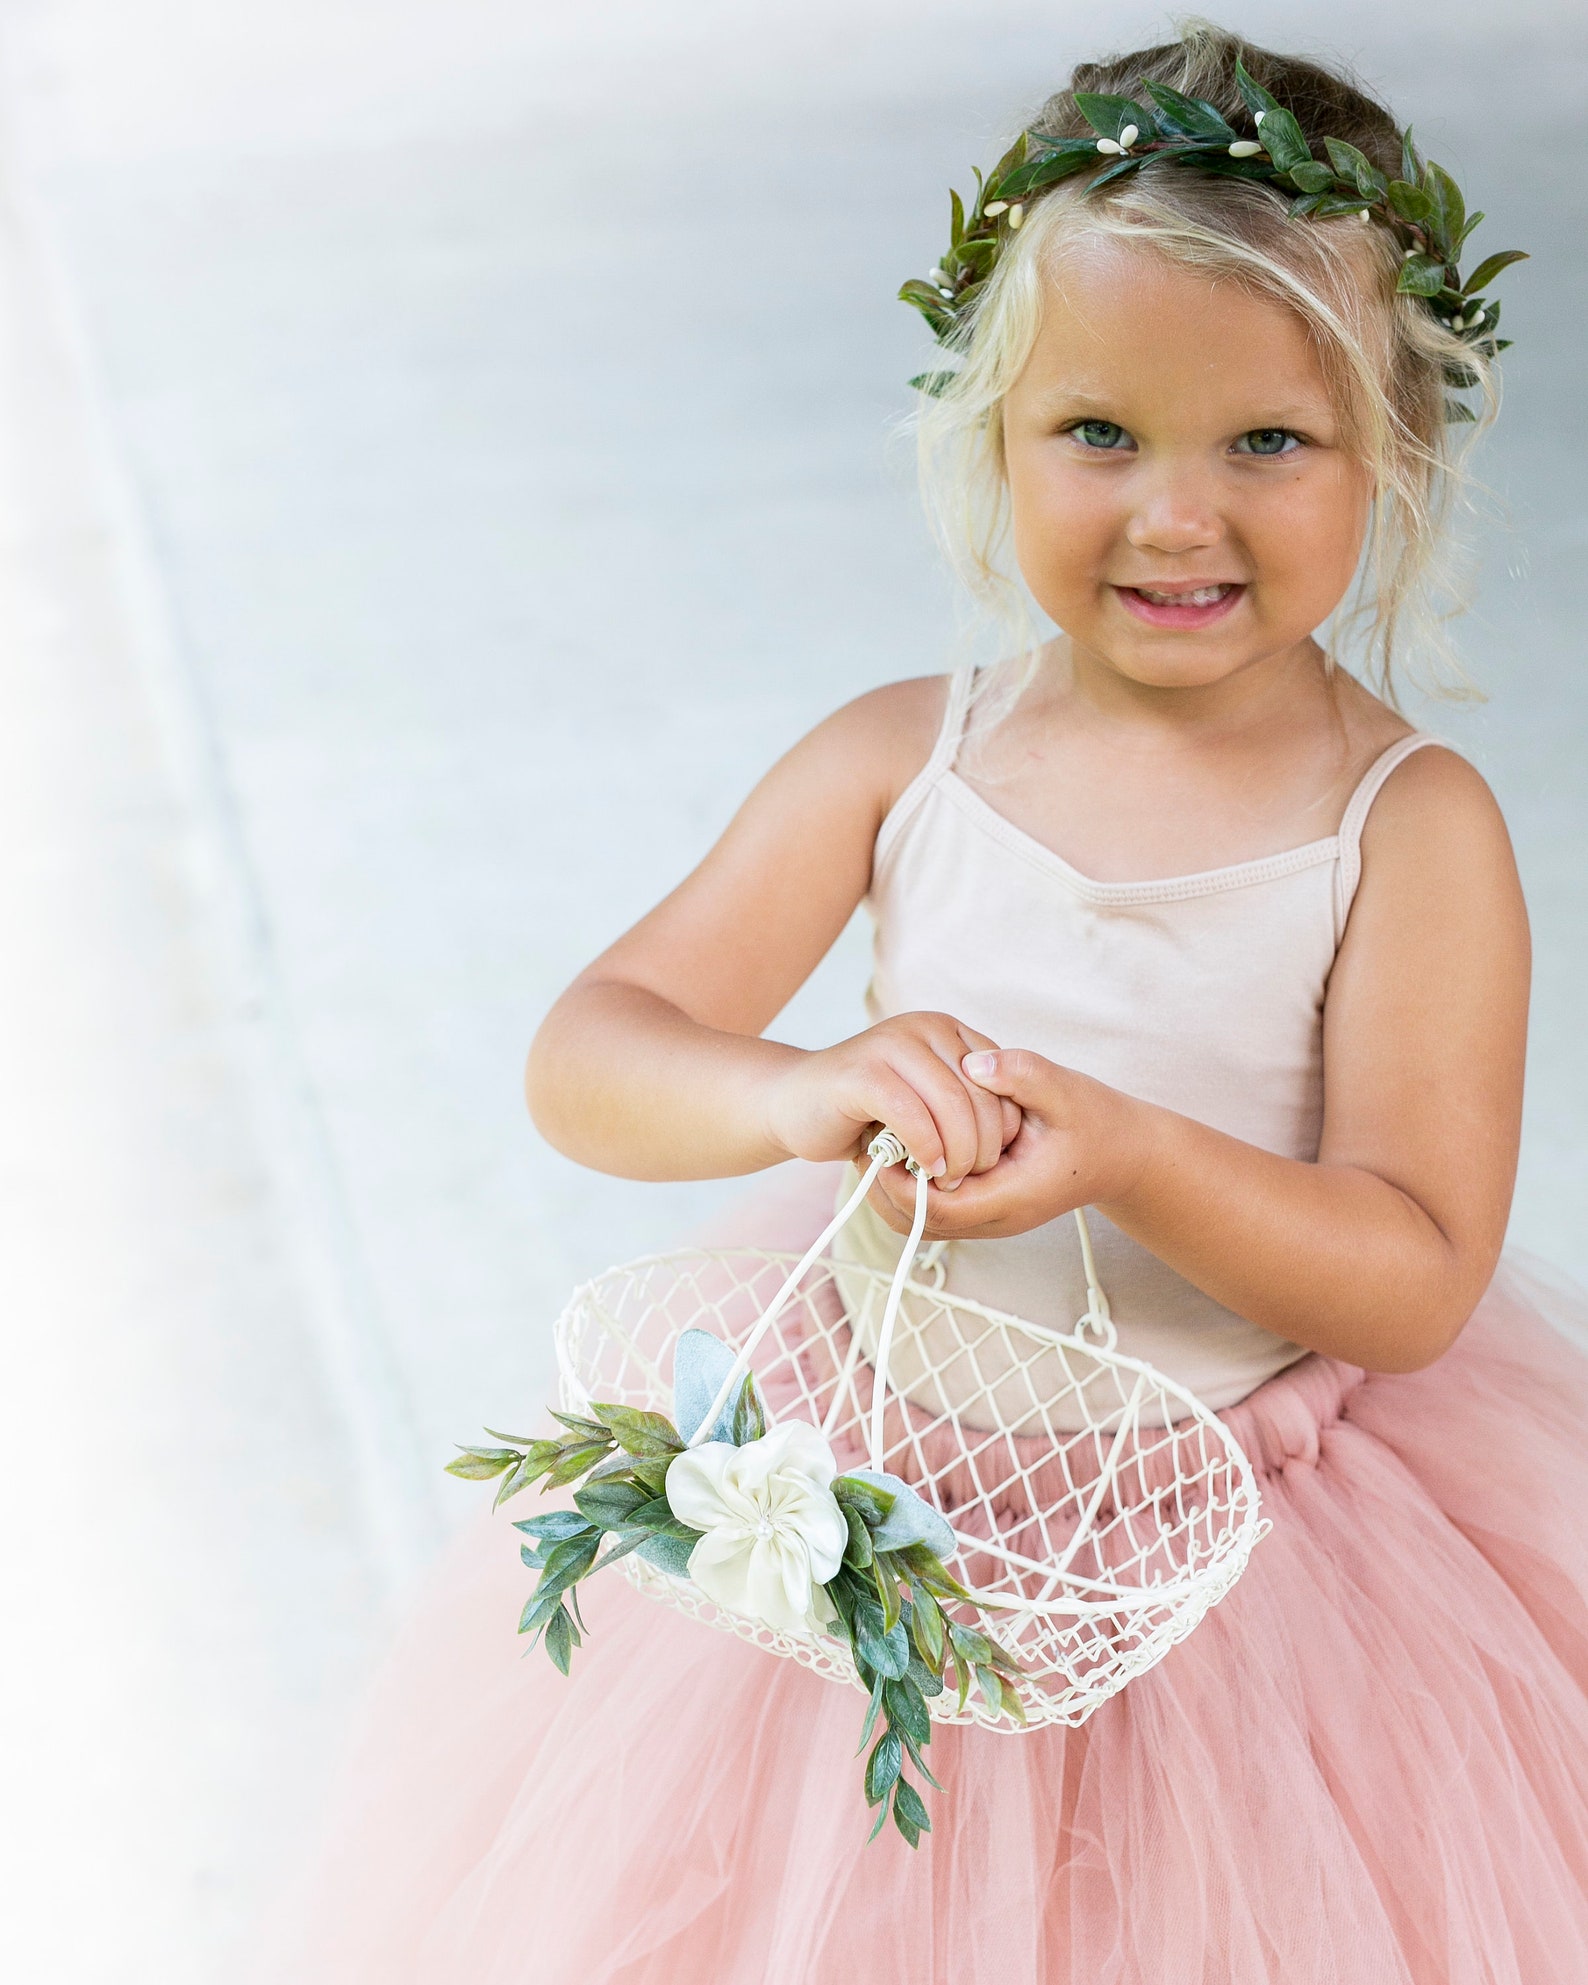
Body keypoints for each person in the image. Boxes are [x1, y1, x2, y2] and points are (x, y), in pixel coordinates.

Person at [270, 23, 1588, 1982]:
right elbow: (592, 1053)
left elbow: (1406, 1270)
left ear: (1392, 449)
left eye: (1264, 442)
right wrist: (804, 1091)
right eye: (1096, 432)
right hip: (862, 1482)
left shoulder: (1401, 830)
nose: (1171, 514)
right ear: (989, 428)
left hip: (1245, 1559)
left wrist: (1129, 1155)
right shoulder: (898, 759)